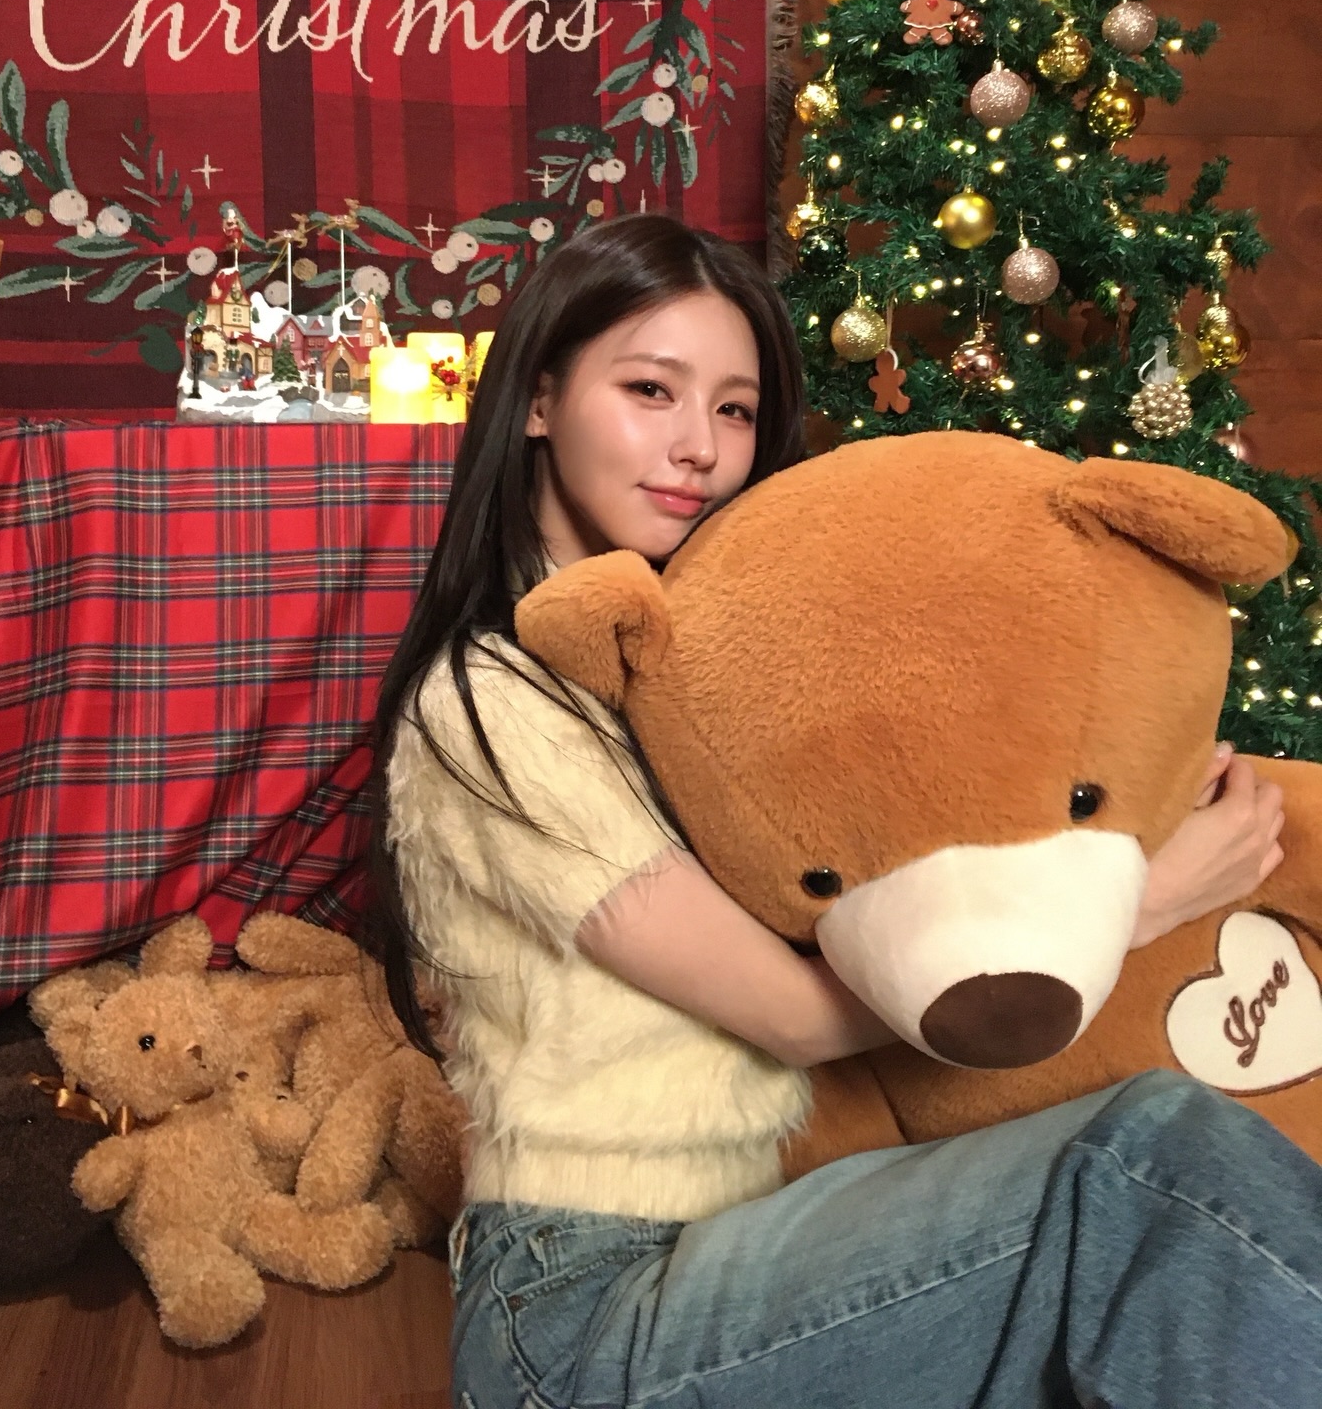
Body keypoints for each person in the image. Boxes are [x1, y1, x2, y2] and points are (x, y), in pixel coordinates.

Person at [367, 214, 1317, 1408]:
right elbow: (794, 1015)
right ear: (541, 399)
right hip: (585, 1310)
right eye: (650, 390)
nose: (698, 447)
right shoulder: (488, 705)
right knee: (1143, 1163)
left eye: (734, 409)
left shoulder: (702, 671)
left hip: (771, 1230)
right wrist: (1151, 895)